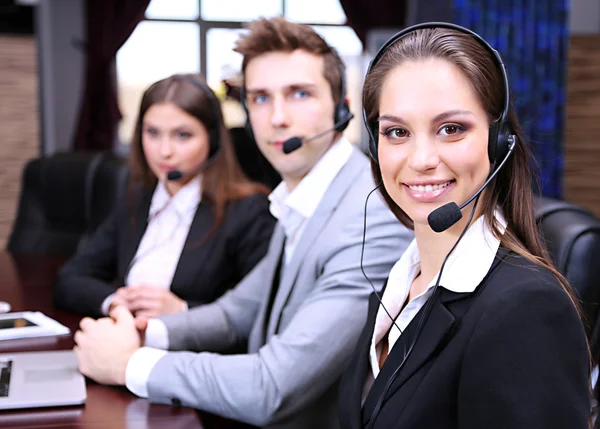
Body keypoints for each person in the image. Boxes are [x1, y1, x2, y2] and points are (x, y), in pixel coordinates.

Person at [72, 17, 413, 429]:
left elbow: (272, 386)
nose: (277, 118)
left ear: (342, 108)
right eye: (260, 98)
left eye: (300, 94)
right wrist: (144, 332)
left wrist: (129, 363)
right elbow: (238, 312)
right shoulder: (299, 198)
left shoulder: (371, 213)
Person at [336, 22, 592, 429]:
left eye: (451, 129)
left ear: (498, 141)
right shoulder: (403, 282)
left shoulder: (526, 310)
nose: (420, 158)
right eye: (397, 132)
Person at [54, 74, 276, 319]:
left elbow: (260, 313)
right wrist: (115, 303)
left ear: (212, 140)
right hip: (127, 341)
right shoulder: (138, 198)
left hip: (197, 353)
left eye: (183, 135)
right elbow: (70, 277)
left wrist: (182, 311)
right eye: (153, 133)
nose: (164, 151)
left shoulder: (247, 210)